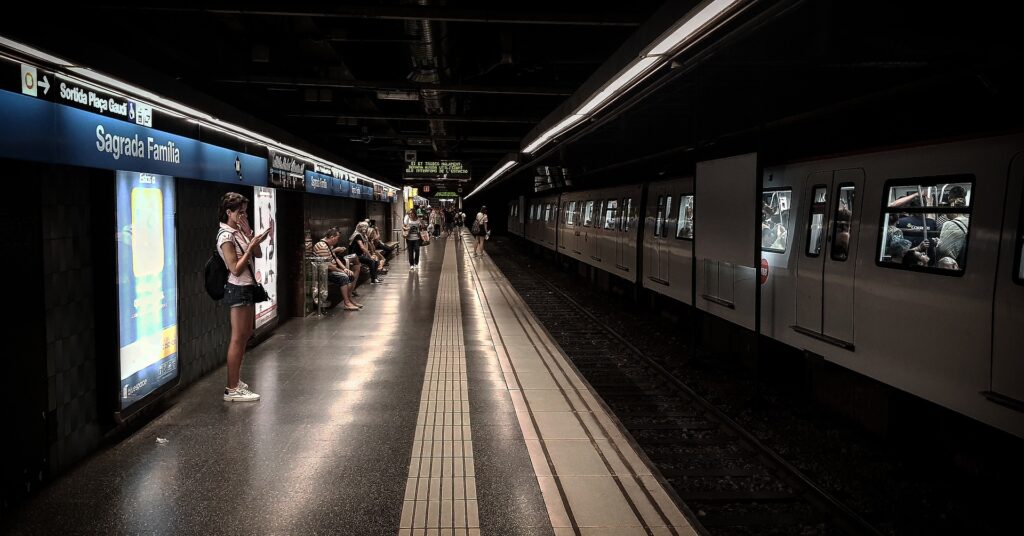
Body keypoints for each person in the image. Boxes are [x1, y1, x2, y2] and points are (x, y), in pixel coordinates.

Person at [217, 192, 272, 402]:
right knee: (238, 338)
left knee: (246, 334)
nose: (243, 215)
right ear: (228, 212)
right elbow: (235, 269)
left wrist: (250, 234)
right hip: (238, 289)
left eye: (245, 212)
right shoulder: (225, 236)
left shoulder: (239, 230)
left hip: (247, 288)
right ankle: (231, 389)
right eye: (240, 212)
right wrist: (249, 246)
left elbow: (257, 254)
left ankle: (236, 381)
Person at [313, 228, 362, 310]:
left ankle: (349, 299)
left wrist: (345, 269)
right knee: (344, 277)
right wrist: (342, 271)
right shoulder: (322, 246)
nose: (338, 240)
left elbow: (336, 258)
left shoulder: (328, 245)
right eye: (337, 238)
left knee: (350, 275)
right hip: (324, 272)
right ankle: (347, 303)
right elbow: (327, 265)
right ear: (332, 237)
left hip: (331, 269)